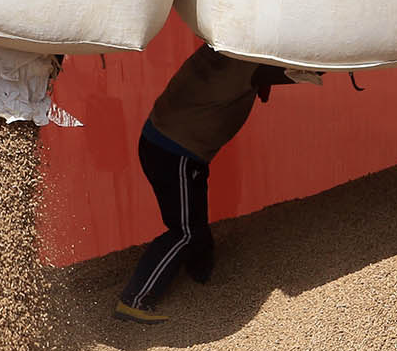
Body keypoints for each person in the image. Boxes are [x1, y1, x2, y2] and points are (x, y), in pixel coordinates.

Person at [116, 45, 314, 323]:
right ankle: (135, 300)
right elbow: (298, 72)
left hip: (162, 141)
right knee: (184, 231)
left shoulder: (221, 46)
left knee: (194, 221)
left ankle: (200, 274)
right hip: (177, 153)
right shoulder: (249, 61)